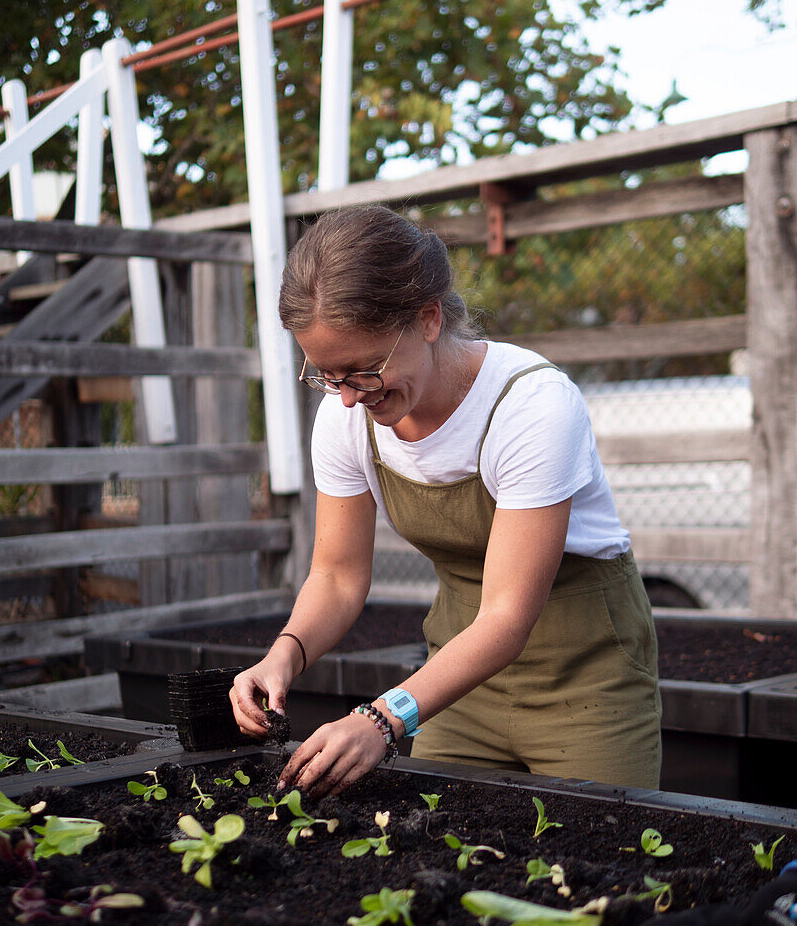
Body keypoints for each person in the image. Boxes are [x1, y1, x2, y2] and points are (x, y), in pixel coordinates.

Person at [229, 204, 661, 798]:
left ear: (428, 319)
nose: (349, 397)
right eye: (328, 375)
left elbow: (508, 616)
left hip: (585, 681)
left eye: (364, 370)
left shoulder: (530, 405)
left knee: (602, 865)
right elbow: (335, 577)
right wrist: (283, 657)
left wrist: (382, 718)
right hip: (458, 685)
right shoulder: (345, 418)